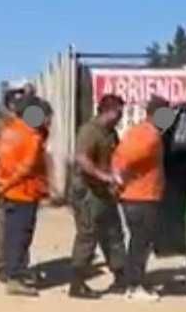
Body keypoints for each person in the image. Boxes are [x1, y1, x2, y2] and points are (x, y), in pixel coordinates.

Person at [0, 95, 52, 296]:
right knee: (20, 235)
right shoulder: (31, 136)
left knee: (10, 234)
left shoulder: (9, 130)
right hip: (23, 191)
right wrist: (7, 184)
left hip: (8, 190)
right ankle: (15, 277)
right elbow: (27, 166)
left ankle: (9, 271)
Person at [68, 94, 128, 299]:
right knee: (88, 233)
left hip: (104, 190)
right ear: (108, 111)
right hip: (86, 189)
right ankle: (77, 282)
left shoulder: (111, 133)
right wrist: (102, 175)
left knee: (113, 232)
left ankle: (121, 275)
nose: (120, 116)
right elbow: (82, 158)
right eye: (118, 112)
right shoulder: (90, 131)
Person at [111, 95, 169, 301]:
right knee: (139, 243)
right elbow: (124, 160)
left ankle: (135, 281)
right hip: (140, 198)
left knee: (140, 242)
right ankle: (134, 285)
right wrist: (120, 181)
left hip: (140, 196)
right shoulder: (148, 136)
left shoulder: (142, 132)